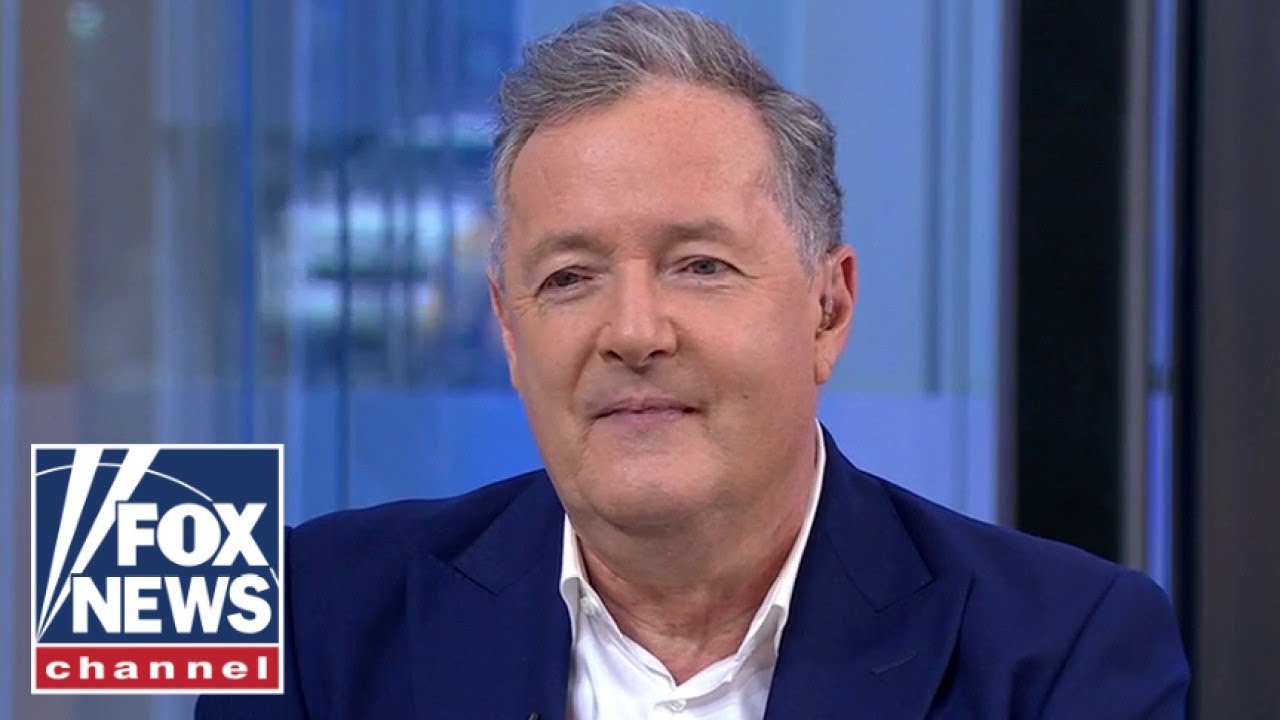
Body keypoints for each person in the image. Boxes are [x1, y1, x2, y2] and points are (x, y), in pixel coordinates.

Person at [196, 4, 1188, 718]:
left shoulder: (1063, 652)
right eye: (570, 277)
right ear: (507, 326)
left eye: (700, 266)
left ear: (829, 308)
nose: (633, 332)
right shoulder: (307, 617)